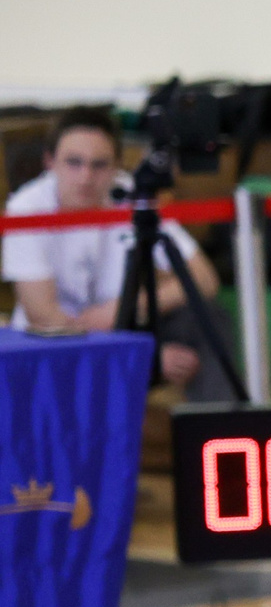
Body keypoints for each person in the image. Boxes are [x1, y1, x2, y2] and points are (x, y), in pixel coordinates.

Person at [3, 105, 230, 393]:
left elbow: (204, 278)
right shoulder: (25, 208)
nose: (85, 178)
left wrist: (127, 310)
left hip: (126, 332)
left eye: (99, 165)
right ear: (50, 162)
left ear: (117, 165)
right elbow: (45, 319)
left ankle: (217, 430)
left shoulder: (134, 195)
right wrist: (138, 353)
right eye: (74, 162)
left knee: (210, 316)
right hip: (56, 352)